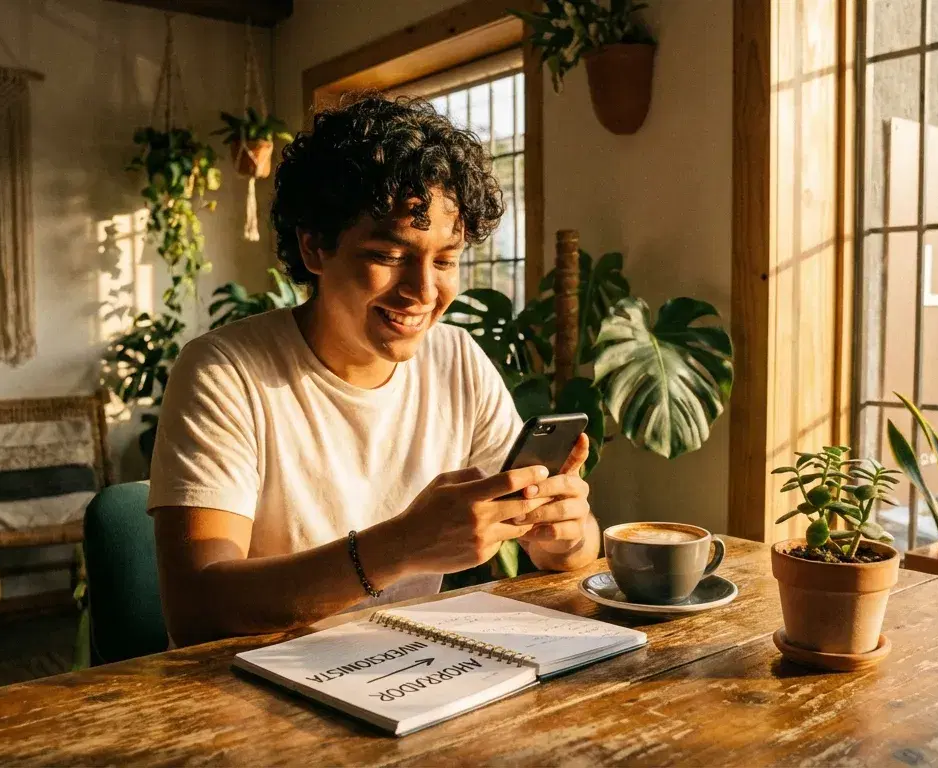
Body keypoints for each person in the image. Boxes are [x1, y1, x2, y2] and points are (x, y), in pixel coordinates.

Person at [148, 95, 600, 646]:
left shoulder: (456, 360)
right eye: (389, 256)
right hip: (251, 681)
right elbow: (196, 609)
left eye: (445, 260)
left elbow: (569, 552)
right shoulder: (226, 373)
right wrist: (400, 547)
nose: (424, 292)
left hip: (409, 671)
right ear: (314, 246)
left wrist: (566, 534)